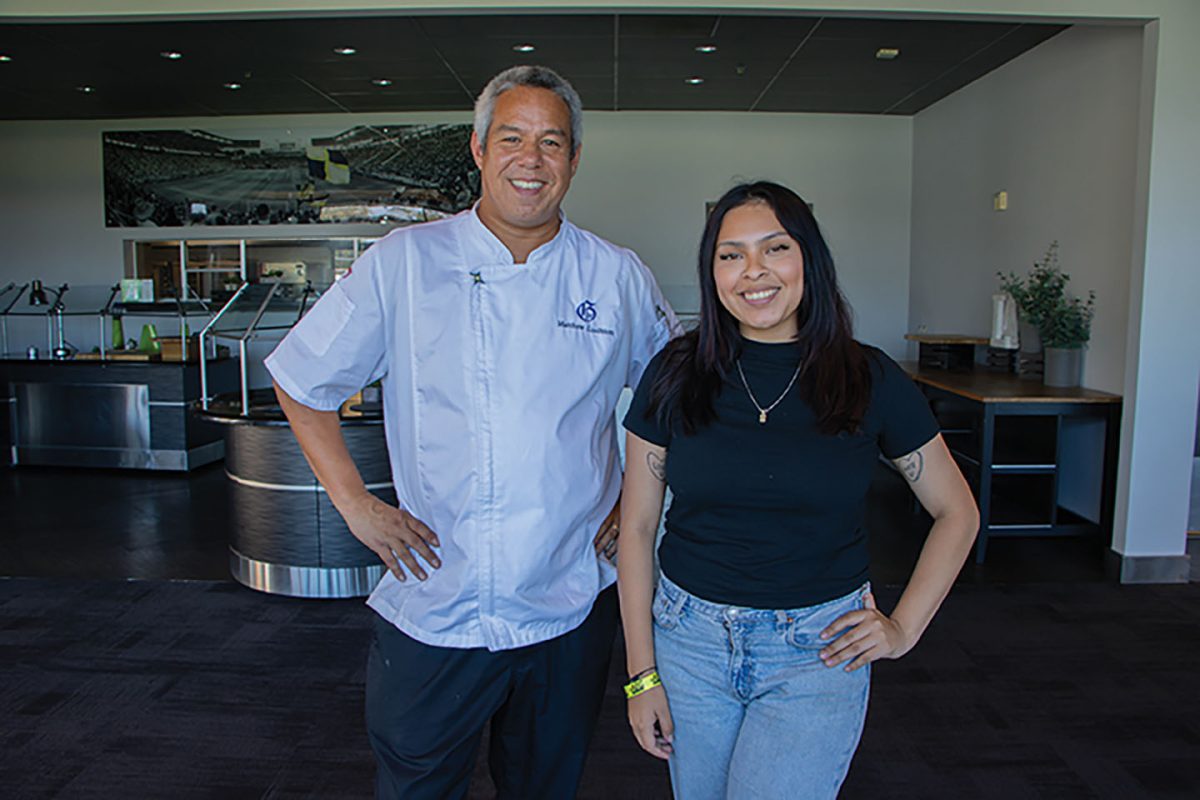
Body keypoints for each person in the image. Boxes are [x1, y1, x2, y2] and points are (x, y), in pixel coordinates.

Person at [266, 65, 678, 799]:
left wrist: (634, 506)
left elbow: (674, 403)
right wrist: (358, 506)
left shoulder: (614, 276)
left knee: (544, 787)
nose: (532, 159)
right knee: (418, 787)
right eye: (513, 138)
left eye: (552, 143)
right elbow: (302, 380)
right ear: (478, 150)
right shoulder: (406, 263)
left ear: (574, 160)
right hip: (437, 604)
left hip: (568, 599)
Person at [617, 181, 978, 799]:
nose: (753, 272)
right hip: (690, 643)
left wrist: (903, 628)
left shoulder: (868, 378)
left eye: (775, 248)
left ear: (808, 258)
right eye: (731, 255)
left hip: (816, 652)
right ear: (713, 274)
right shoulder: (674, 375)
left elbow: (956, 512)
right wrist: (640, 675)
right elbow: (638, 528)